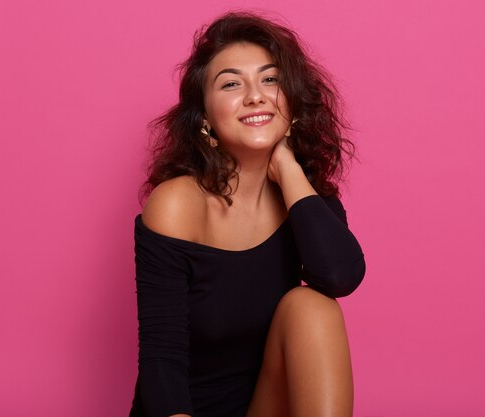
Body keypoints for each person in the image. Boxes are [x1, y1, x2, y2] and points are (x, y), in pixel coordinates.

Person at [130, 11, 366, 417]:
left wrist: (288, 170)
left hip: (264, 406)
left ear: (290, 99)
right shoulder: (178, 204)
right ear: (204, 117)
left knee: (312, 307)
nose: (255, 95)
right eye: (231, 83)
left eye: (270, 79)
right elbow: (161, 362)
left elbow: (340, 277)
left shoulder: (305, 198)